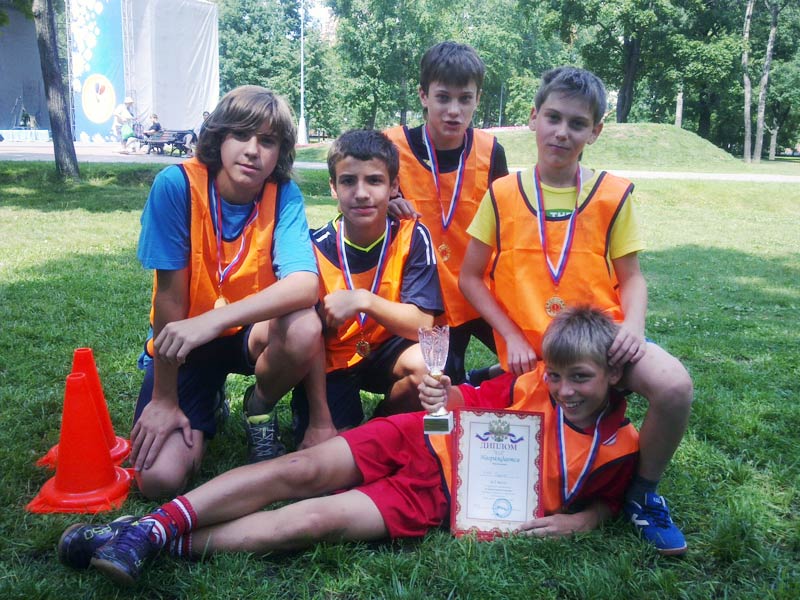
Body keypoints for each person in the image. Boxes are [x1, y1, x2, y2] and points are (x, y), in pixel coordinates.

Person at [57, 306, 639, 587]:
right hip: (422, 438)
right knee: (302, 469)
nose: (564, 390)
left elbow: (608, 503)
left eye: (581, 378)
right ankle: (152, 528)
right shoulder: (531, 384)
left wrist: (581, 521)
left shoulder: (621, 446)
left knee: (314, 521)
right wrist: (443, 395)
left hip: (436, 500)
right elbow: (468, 399)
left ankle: (148, 540)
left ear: (614, 376)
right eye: (556, 375)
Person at [459, 66, 693, 555]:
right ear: (533, 118)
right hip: (537, 353)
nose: (562, 132)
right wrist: (512, 336)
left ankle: (642, 495)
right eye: (553, 118)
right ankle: (494, 378)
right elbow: (470, 278)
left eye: (577, 123)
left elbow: (632, 277)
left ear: (595, 131)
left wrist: (633, 327)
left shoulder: (611, 194)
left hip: (602, 344)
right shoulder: (502, 194)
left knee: (673, 385)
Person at [130, 85, 321, 500]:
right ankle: (208, 403)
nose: (253, 150)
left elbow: (305, 283)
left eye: (267, 141)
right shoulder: (177, 185)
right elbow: (169, 300)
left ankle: (259, 405)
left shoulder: (283, 194)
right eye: (241, 134)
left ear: (280, 152)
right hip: (185, 342)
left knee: (305, 326)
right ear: (218, 137)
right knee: (159, 480)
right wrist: (164, 399)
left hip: (248, 334)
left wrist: (215, 320)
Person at [291, 129, 443, 450]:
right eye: (348, 181)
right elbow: (309, 340)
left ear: (394, 186)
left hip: (387, 352)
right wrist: (320, 420)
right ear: (333, 187)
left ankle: (381, 423)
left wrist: (363, 300)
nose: (361, 193)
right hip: (332, 361)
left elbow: (424, 324)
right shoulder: (312, 247)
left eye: (374, 181)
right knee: (327, 454)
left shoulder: (412, 235)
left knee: (425, 365)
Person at [384, 41, 509, 385]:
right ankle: (463, 378)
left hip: (478, 290)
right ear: (423, 96)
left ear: (477, 99)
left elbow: (508, 223)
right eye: (443, 98)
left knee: (534, 354)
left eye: (464, 99)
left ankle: (480, 376)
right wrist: (384, 207)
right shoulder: (391, 147)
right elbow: (356, 205)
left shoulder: (490, 151)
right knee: (440, 387)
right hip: (423, 297)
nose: (454, 111)